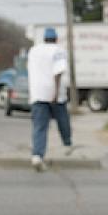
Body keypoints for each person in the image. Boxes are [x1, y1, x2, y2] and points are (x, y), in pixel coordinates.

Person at [26, 26, 72, 171]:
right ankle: (67, 144)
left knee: (40, 127)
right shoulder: (59, 50)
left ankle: (37, 155)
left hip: (37, 94)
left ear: (44, 38)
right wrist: (56, 93)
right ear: (56, 39)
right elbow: (58, 72)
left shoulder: (34, 51)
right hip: (54, 94)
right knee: (63, 120)